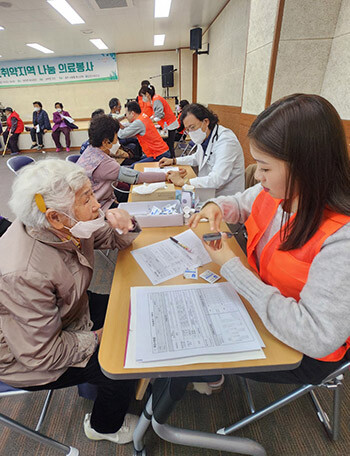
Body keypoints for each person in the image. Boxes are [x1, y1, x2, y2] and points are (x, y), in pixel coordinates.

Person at [191, 93, 350, 386]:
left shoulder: (341, 240)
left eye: (265, 168)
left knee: (192, 352)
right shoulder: (278, 192)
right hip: (262, 299)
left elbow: (317, 337)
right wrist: (215, 206)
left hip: (302, 350)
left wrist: (231, 267)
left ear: (305, 166)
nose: (258, 177)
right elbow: (240, 202)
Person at [0, 159, 141, 444]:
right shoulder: (22, 273)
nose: (97, 205)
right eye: (87, 198)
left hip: (68, 312)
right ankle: (103, 427)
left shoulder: (68, 225)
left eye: (91, 192)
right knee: (120, 362)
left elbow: (113, 238)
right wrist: (101, 336)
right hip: (24, 355)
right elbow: (40, 353)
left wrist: (125, 223)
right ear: (55, 217)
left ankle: (98, 380)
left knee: (131, 307)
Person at [77, 114, 186, 208]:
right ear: (106, 142)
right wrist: (167, 176)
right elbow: (137, 177)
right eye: (116, 138)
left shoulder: (90, 151)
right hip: (99, 208)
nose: (118, 142)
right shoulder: (104, 164)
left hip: (93, 201)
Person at [159, 103, 245, 197]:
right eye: (187, 130)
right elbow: (196, 157)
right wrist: (174, 160)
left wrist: (183, 182)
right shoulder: (204, 136)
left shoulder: (226, 141)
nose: (191, 133)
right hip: (207, 192)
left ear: (206, 122)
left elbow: (217, 179)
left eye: (192, 127)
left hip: (225, 199)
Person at [139, 85, 179, 158]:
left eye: (143, 96)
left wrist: (150, 121)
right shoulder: (154, 99)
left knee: (170, 145)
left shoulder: (156, 99)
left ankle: (172, 160)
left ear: (147, 94)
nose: (143, 98)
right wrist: (148, 119)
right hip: (168, 124)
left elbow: (160, 114)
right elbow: (155, 113)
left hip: (170, 124)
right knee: (169, 144)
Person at [109, 97, 143, 162]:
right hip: (119, 137)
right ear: (114, 107)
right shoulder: (112, 117)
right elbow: (120, 122)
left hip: (120, 136)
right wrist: (126, 115)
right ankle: (137, 158)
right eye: (119, 107)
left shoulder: (114, 116)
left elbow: (123, 124)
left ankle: (138, 157)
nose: (120, 109)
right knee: (135, 140)